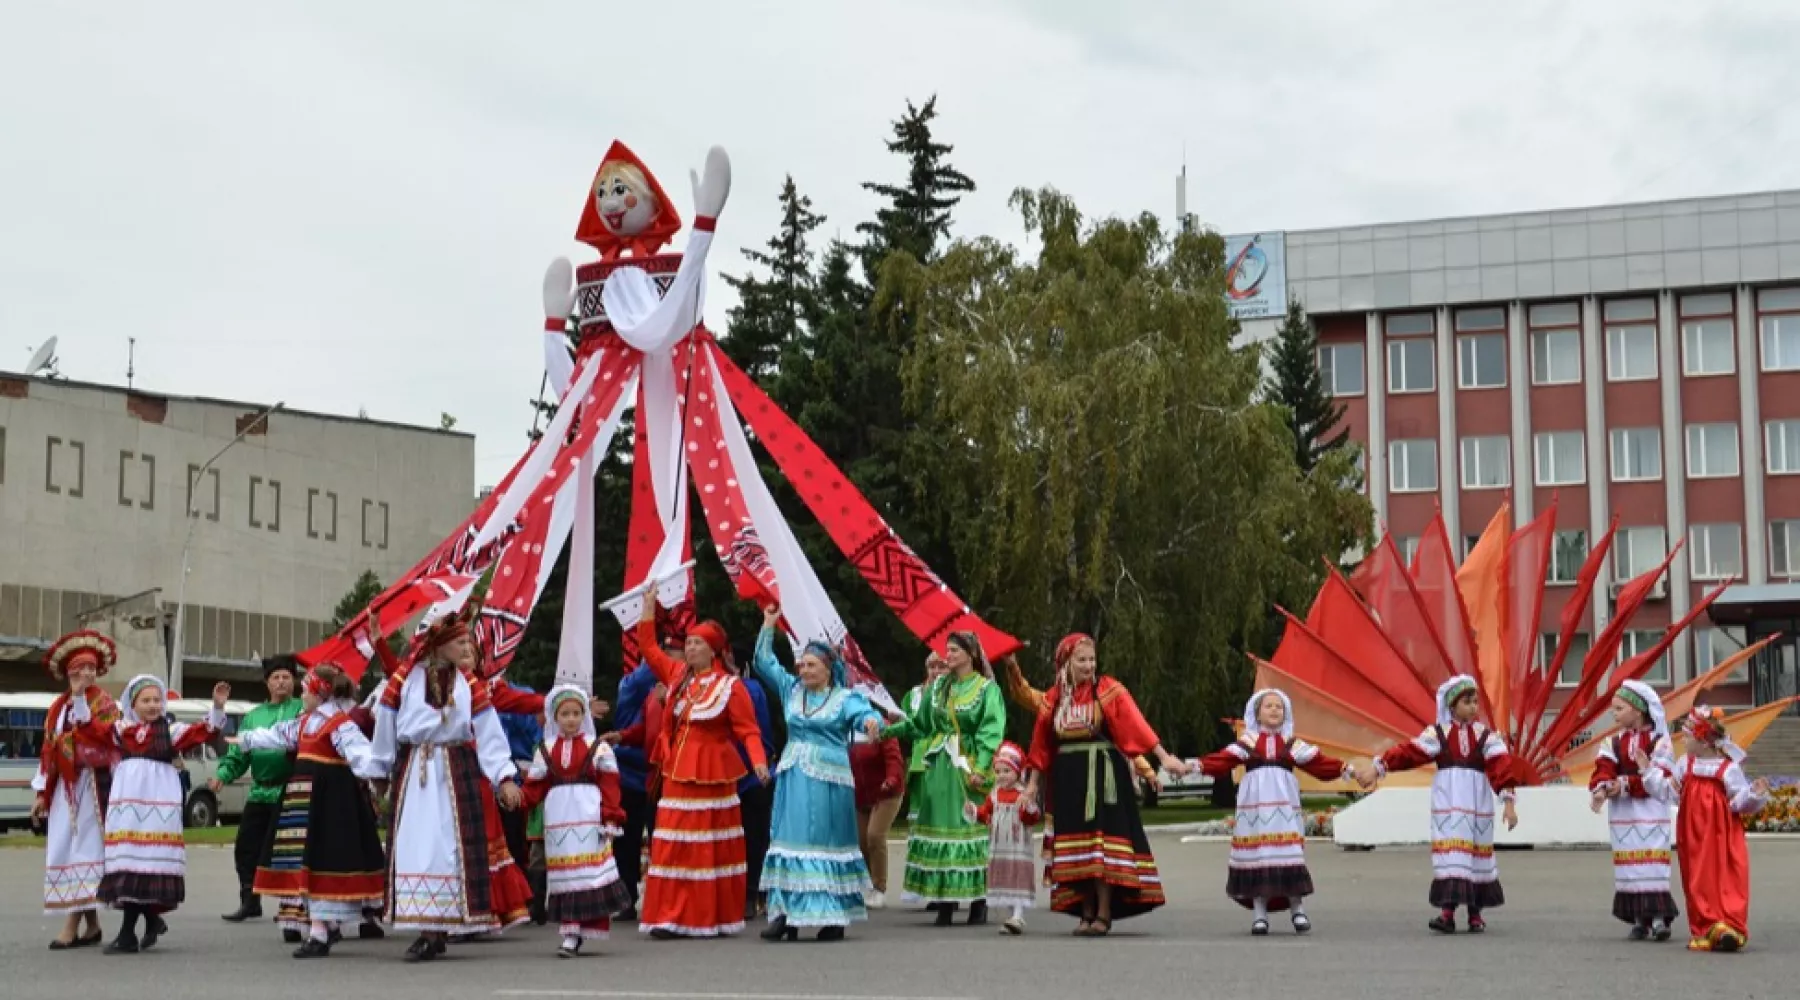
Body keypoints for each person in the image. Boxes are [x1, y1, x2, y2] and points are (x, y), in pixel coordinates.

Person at [369, 607, 528, 962]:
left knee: (447, 847)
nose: (466, 647)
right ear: (440, 645)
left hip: (456, 770)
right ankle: (429, 928)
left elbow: (488, 730)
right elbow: (386, 723)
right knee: (417, 845)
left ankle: (436, 930)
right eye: (459, 642)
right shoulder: (405, 679)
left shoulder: (468, 683)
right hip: (415, 770)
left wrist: (503, 776)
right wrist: (379, 772)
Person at [1021, 634, 1190, 936]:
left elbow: (1134, 725)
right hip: (1069, 781)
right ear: (1066, 663)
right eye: (1081, 660)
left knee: (1100, 847)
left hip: (1103, 778)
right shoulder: (1053, 698)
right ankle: (1084, 912)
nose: (1089, 665)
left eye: (1092, 659)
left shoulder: (1107, 690)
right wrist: (1033, 785)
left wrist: (1163, 758)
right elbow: (1041, 745)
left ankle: (1104, 911)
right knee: (1079, 848)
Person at [633, 600, 769, 939]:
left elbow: (748, 730)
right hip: (677, 772)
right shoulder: (678, 677)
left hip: (713, 774)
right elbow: (648, 647)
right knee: (674, 845)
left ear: (713, 651)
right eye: (689, 643)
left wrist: (759, 762)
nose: (690, 649)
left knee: (707, 847)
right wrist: (648, 609)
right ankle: (670, 915)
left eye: (697, 644)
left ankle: (707, 915)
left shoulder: (730, 687)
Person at [235, 664, 387, 958]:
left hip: (331, 802)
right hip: (302, 801)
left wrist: (378, 770)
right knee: (306, 860)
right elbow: (277, 735)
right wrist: (246, 739)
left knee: (324, 859)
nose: (302, 695)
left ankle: (322, 929)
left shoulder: (338, 724)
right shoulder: (305, 722)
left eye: (305, 690)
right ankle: (322, 927)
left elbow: (360, 752)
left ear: (319, 692)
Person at [749, 606, 881, 942]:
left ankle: (833, 915)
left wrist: (871, 724)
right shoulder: (792, 690)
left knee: (823, 841)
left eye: (810, 664)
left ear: (827, 669)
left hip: (829, 781)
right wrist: (768, 624)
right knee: (789, 839)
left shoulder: (843, 698)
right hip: (794, 777)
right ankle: (785, 915)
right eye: (802, 664)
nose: (802, 669)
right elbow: (764, 663)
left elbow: (866, 715)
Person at [74, 674, 231, 954]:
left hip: (157, 803)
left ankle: (128, 934)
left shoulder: (170, 731)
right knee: (131, 862)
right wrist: (78, 696)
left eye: (157, 699)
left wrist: (217, 707)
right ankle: (148, 921)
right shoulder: (121, 729)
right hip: (129, 803)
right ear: (133, 704)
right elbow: (89, 729)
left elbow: (203, 732)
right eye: (146, 700)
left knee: (144, 861)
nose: (153, 705)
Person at [1363, 675, 1520, 934]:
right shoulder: (1437, 735)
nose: (1473, 707)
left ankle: (1475, 915)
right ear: (1451, 705)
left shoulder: (1486, 737)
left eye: (1475, 701)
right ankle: (1447, 914)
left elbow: (1501, 767)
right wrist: (1379, 767)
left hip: (1477, 805)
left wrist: (1509, 803)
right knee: (1452, 855)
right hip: (1449, 803)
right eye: (1467, 701)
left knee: (1476, 855)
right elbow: (1409, 753)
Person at [1198, 689, 1350, 935]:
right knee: (1258, 852)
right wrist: (1194, 766)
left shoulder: (1290, 743)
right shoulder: (1248, 742)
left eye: (1279, 706)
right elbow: (1223, 760)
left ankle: (1297, 909)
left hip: (1283, 805)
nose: (1274, 710)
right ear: (1257, 713)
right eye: (1268, 706)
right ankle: (1260, 914)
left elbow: (1318, 763)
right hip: (1255, 806)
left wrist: (1348, 770)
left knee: (1287, 852)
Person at [882, 631, 1007, 926]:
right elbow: (920, 724)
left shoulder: (987, 690)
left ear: (970, 654)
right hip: (938, 770)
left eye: (953, 651)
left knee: (969, 831)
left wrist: (981, 767)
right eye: (946, 650)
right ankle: (946, 902)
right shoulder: (938, 688)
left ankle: (979, 901)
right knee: (940, 830)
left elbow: (991, 732)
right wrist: (888, 732)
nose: (946, 656)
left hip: (967, 768)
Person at [1639, 706, 1772, 953]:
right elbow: (1670, 792)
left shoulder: (1727, 769)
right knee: (1697, 879)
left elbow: (1737, 802)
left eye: (1687, 736)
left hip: (1722, 834)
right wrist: (1649, 771)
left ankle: (1728, 925)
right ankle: (1705, 927)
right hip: (1693, 834)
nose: (1684, 740)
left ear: (1703, 741)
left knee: (1726, 875)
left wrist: (1754, 794)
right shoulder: (1685, 766)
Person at [522, 684, 633, 958]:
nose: (570, 719)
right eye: (564, 714)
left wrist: (610, 816)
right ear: (554, 717)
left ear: (584, 716)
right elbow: (534, 788)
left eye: (575, 713)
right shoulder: (545, 750)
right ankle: (571, 931)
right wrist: (514, 798)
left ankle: (575, 932)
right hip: (559, 816)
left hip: (587, 814)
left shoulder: (598, 748)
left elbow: (610, 784)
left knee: (587, 871)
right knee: (564, 875)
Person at [31, 629, 121, 950]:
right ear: (68, 671)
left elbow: (106, 736)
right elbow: (48, 751)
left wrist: (82, 703)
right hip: (63, 790)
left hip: (94, 787)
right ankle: (92, 925)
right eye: (80, 667)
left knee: (85, 850)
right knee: (64, 848)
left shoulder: (104, 702)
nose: (86, 673)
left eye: (91, 668)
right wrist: (41, 792)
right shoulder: (56, 708)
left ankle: (71, 922)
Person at [212, 654, 304, 926]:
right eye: (275, 678)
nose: (281, 682)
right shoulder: (254, 717)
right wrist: (222, 775)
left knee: (289, 852)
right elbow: (237, 755)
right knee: (246, 848)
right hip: (260, 792)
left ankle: (293, 905)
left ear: (294, 681)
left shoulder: (301, 709)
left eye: (286, 677)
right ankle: (249, 901)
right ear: (267, 683)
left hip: (290, 793)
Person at [1587, 680, 1678, 941]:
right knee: (1630, 866)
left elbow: (1661, 776)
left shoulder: (1660, 741)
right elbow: (1604, 767)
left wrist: (1624, 784)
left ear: (1637, 710)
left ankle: (1660, 919)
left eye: (1618, 709)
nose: (1613, 714)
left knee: (1652, 865)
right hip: (1624, 815)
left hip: (1650, 809)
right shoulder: (1613, 742)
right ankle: (1640, 920)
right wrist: (1602, 790)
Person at [608, 638, 673, 918]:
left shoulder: (679, 689)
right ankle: (626, 897)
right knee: (627, 839)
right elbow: (643, 727)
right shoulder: (634, 687)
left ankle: (667, 897)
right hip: (633, 775)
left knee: (664, 838)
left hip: (665, 774)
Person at [977, 741, 1041, 935]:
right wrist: (972, 811)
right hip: (1000, 848)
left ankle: (1019, 914)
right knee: (1005, 878)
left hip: (1018, 848)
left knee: (1017, 877)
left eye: (1006, 771)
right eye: (998, 771)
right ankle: (1012, 915)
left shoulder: (1023, 794)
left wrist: (1028, 807)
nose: (1002, 776)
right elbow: (984, 814)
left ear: (1017, 772)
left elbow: (1032, 818)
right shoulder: (994, 795)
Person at [736, 647, 778, 922]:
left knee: (754, 838)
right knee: (749, 838)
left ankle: (753, 894)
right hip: (724, 776)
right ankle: (747, 895)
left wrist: (760, 760)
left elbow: (758, 731)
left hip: (750, 775)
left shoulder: (749, 690)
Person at [849, 713, 904, 910]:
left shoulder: (882, 726)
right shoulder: (848, 729)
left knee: (875, 835)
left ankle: (879, 888)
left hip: (887, 793)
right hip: (861, 796)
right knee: (861, 841)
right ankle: (867, 885)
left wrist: (891, 780)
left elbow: (894, 759)